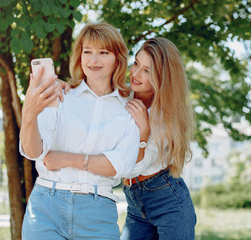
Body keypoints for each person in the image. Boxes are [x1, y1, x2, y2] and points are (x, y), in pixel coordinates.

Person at [19, 23, 140, 240]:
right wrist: (29, 113)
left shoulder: (129, 107)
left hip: (98, 211)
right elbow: (34, 152)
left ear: (117, 58)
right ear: (79, 56)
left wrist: (65, 158)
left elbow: (118, 165)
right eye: (88, 52)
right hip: (46, 206)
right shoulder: (60, 95)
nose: (94, 61)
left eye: (103, 52)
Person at [120, 37, 197, 240]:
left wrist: (144, 130)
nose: (136, 73)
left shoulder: (166, 118)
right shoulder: (123, 96)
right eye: (136, 63)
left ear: (162, 78)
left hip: (167, 201)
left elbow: (133, 168)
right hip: (135, 203)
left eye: (147, 70)